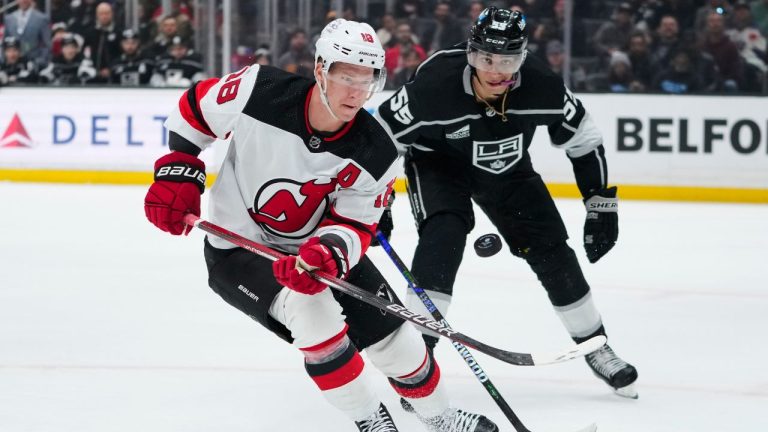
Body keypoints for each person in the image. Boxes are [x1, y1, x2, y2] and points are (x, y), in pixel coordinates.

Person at [143, 18, 498, 432]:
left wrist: (327, 252)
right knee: (313, 312)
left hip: (314, 252)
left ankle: (439, 417)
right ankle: (370, 420)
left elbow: (355, 224)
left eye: (368, 79)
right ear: (320, 69)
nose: (356, 91)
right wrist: (179, 171)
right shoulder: (259, 89)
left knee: (400, 344)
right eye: (347, 75)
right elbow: (195, 111)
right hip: (239, 251)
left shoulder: (376, 151)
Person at [375, 7, 639, 399]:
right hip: (437, 164)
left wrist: (600, 203)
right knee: (442, 237)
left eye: (509, 59)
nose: (497, 71)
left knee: (552, 249)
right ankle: (417, 362)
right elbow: (382, 138)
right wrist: (377, 202)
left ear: (524, 55)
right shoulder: (435, 84)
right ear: (471, 53)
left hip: (508, 167)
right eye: (486, 58)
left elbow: (583, 138)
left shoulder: (542, 84)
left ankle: (595, 346)